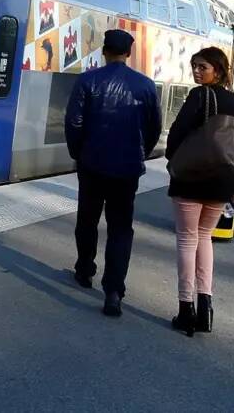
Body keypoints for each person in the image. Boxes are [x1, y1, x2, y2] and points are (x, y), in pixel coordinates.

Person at [64, 28, 162, 317]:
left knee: (87, 219)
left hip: (92, 165)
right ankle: (114, 291)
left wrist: (78, 154)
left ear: (104, 51)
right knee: (120, 228)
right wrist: (140, 153)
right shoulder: (145, 85)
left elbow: (74, 123)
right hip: (126, 169)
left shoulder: (87, 81)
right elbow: (154, 127)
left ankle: (84, 270)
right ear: (128, 54)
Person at [164, 47, 234, 337]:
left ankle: (186, 309)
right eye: (195, 66)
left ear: (219, 70)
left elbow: (177, 131)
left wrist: (173, 159)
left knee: (187, 239)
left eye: (203, 67)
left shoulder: (199, 96)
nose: (197, 71)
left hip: (191, 178)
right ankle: (206, 308)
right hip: (223, 178)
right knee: (204, 238)